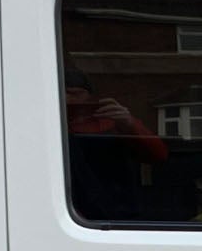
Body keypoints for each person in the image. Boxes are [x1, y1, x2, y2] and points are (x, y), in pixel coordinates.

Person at [65, 66, 166, 220]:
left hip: (115, 212)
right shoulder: (47, 125)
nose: (67, 99)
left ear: (90, 97)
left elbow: (158, 155)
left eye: (74, 94)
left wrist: (129, 124)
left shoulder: (112, 121)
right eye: (63, 93)